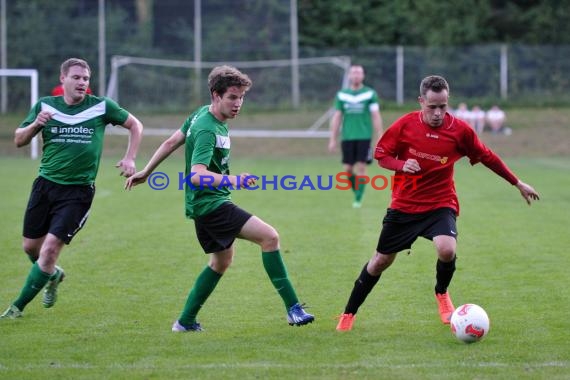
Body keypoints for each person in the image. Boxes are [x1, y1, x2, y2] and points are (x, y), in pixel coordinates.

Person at [335, 75, 539, 331]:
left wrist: (517, 182)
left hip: (440, 202)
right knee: (380, 262)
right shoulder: (406, 125)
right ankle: (348, 314)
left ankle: (442, 294)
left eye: (443, 106)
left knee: (446, 250)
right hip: (405, 205)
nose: (438, 112)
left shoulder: (460, 131)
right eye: (432, 106)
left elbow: (487, 156)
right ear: (421, 101)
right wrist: (401, 164)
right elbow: (381, 154)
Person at [125, 65, 314, 332]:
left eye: (241, 98)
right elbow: (196, 175)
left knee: (220, 262)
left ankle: (185, 322)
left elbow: (171, 142)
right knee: (269, 237)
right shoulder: (206, 128)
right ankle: (293, 308)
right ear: (216, 95)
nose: (238, 104)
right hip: (210, 204)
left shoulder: (202, 114)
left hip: (205, 204)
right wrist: (233, 180)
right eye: (232, 98)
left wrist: (146, 170)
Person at [0, 58, 144, 320]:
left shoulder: (101, 106)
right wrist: (36, 125)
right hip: (45, 186)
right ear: (63, 79)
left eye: (86, 78)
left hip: (77, 193)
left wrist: (130, 157)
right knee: (30, 248)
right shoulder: (44, 106)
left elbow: (135, 125)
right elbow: (19, 140)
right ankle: (53, 275)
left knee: (50, 249)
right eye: (76, 77)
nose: (82, 82)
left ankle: (16, 308)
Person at [328, 64, 383, 208]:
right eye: (354, 73)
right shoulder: (342, 95)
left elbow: (375, 115)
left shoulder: (370, 93)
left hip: (364, 136)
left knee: (361, 167)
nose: (356, 75)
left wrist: (379, 134)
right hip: (347, 137)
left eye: (359, 73)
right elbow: (337, 117)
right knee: (347, 169)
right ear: (349, 76)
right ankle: (358, 191)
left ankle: (358, 198)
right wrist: (333, 138)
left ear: (363, 76)